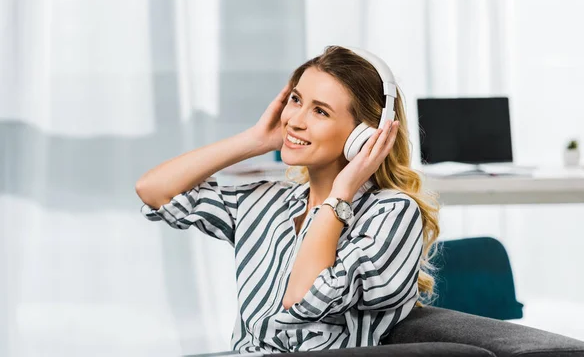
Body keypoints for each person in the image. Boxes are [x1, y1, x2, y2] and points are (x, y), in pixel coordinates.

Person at [135, 46, 441, 354]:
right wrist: (252, 140)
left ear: (365, 135)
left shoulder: (392, 213)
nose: (295, 121)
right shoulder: (268, 201)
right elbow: (155, 190)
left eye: (320, 111)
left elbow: (303, 296)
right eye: (296, 100)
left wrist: (339, 195)